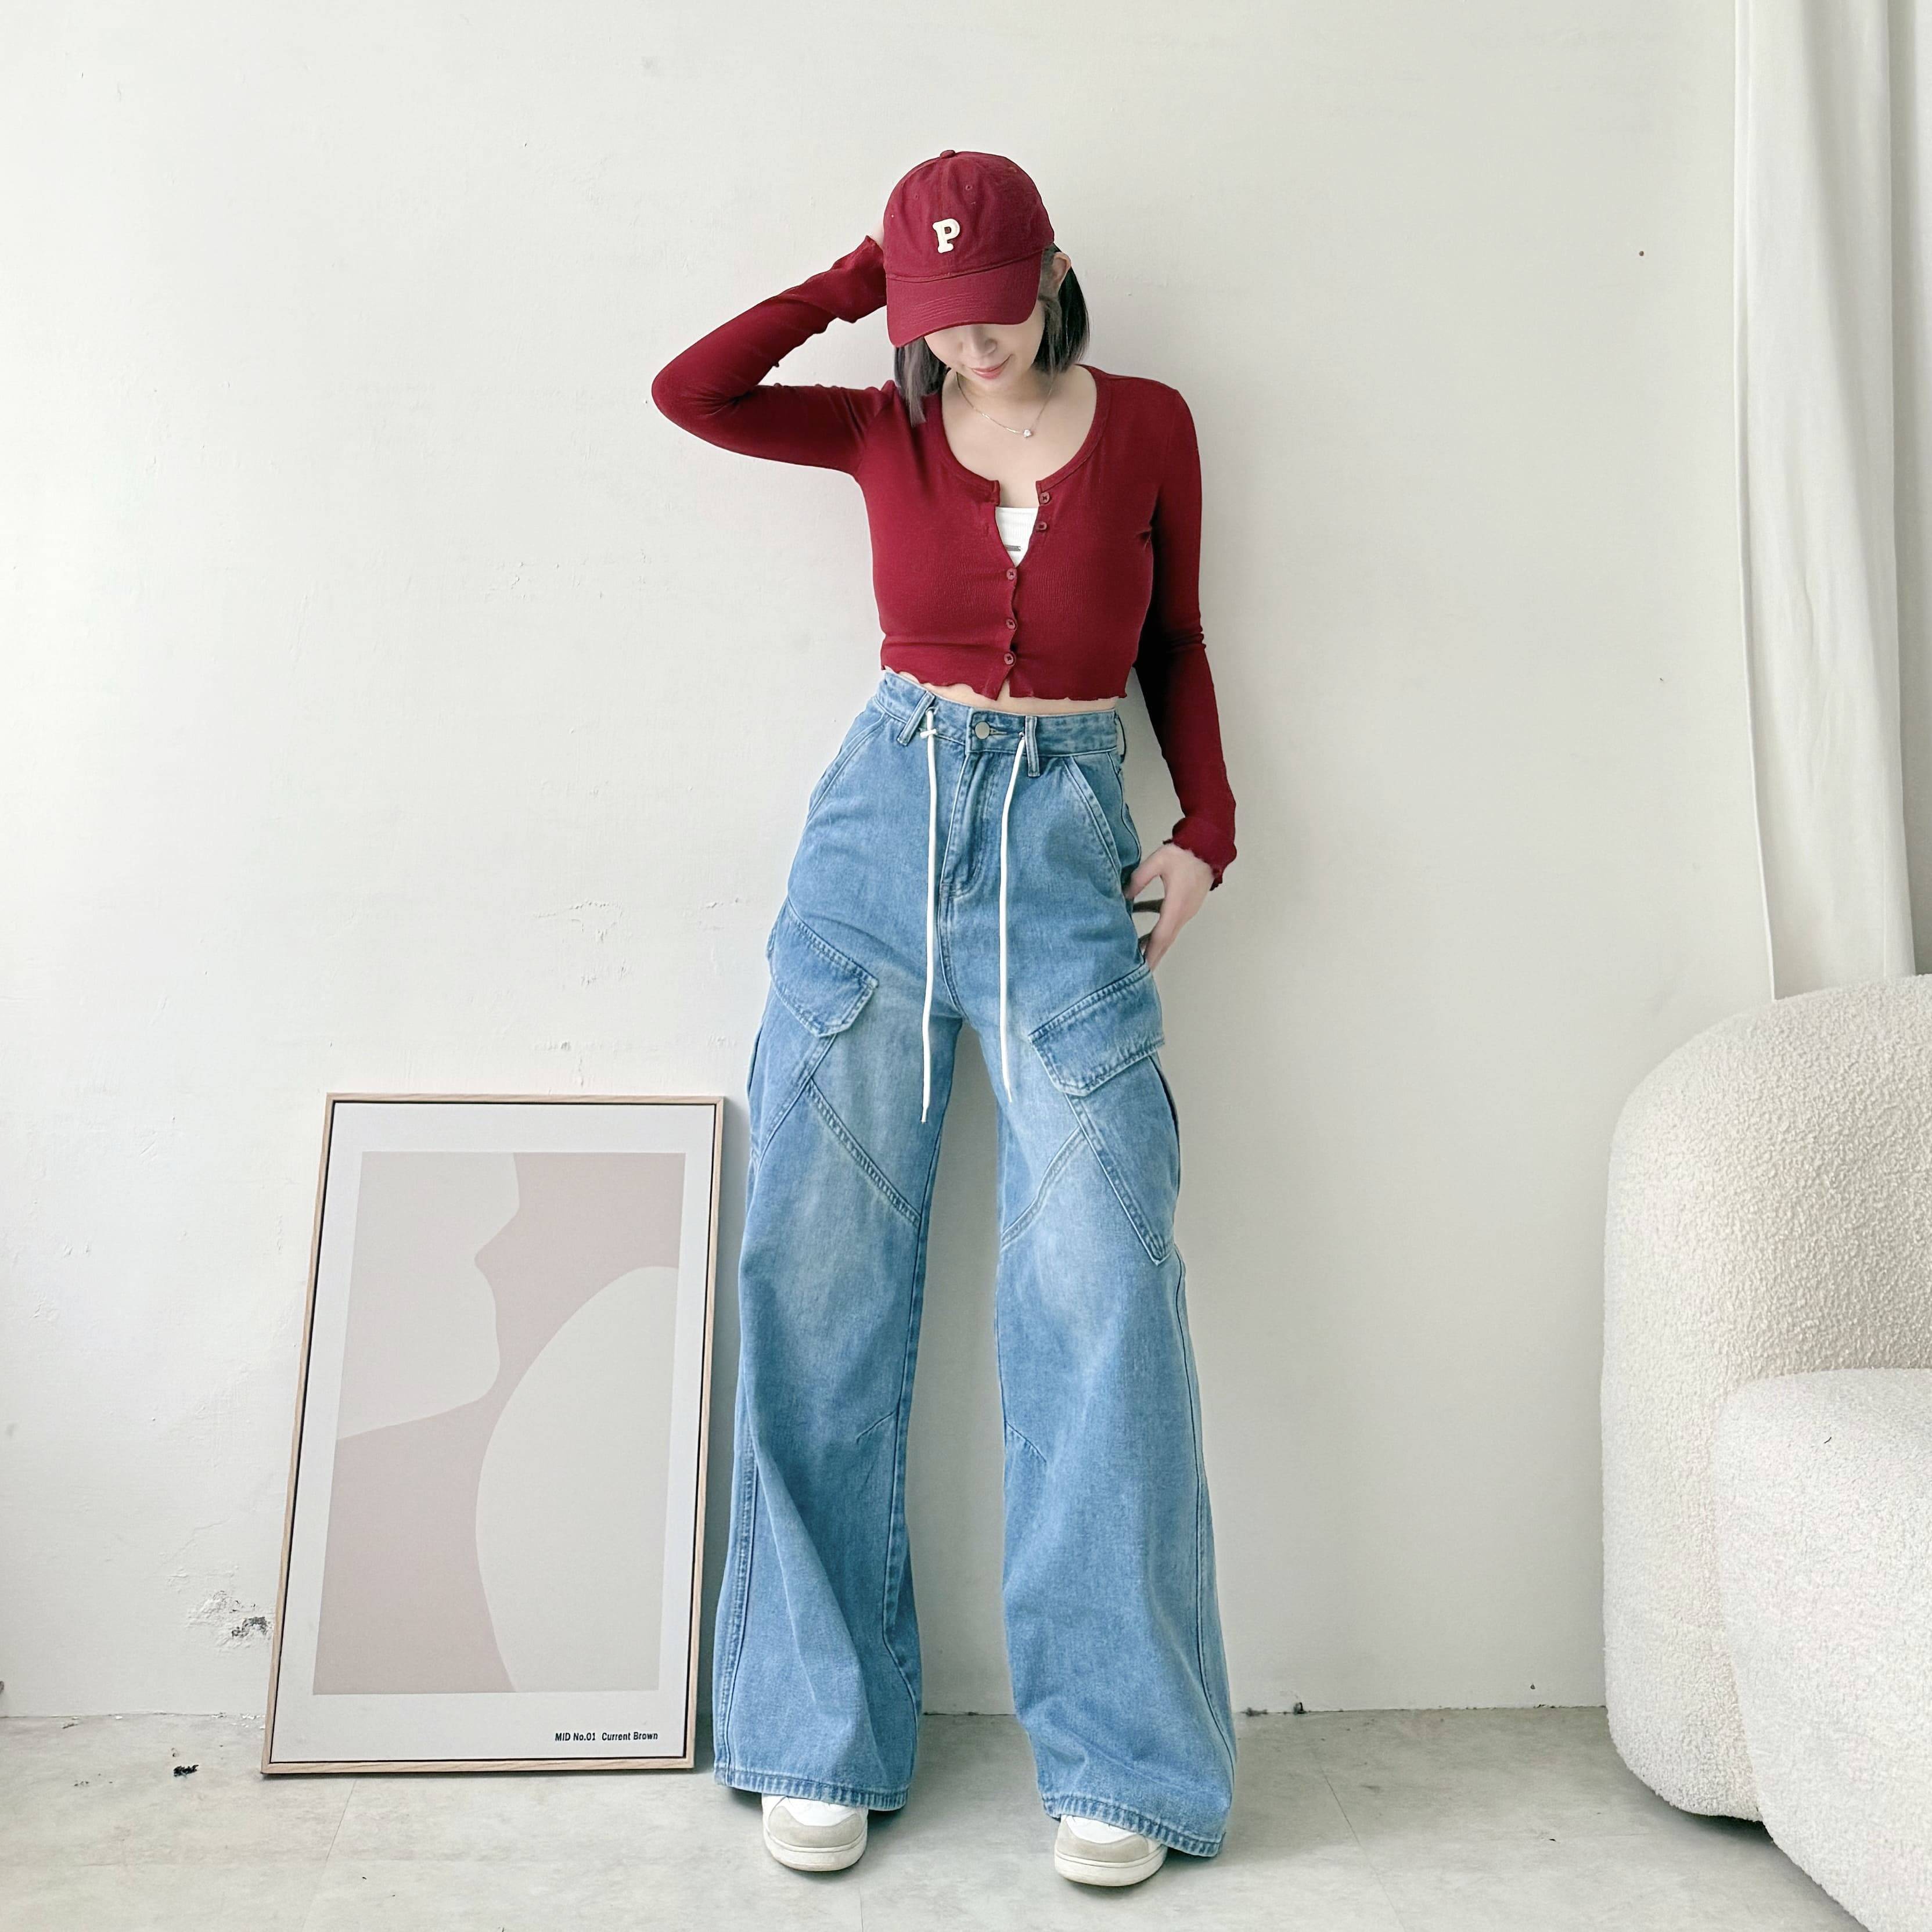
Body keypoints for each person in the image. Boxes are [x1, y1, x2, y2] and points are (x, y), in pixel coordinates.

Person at [650, 149, 1238, 1890]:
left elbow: (1178, 641)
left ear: (1050, 275)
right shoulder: (876, 424)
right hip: (875, 842)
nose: (971, 353)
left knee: (1102, 1278)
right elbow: (693, 392)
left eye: (991, 316)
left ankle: (1123, 1758)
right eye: (940, 325)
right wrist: (862, 281)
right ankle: (814, 1728)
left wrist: (1206, 833)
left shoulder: (1151, 425)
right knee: (818, 1274)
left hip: (1064, 850)